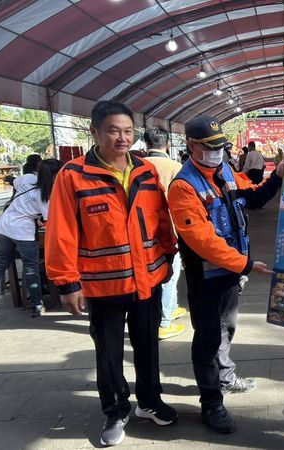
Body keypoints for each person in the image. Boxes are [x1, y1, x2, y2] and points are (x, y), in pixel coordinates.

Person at [45, 101, 178, 447]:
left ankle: (149, 401)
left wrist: (167, 257)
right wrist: (67, 283)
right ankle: (116, 411)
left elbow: (161, 220)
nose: (122, 138)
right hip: (103, 286)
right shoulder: (72, 176)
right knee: (109, 354)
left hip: (147, 281)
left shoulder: (146, 172)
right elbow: (61, 232)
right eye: (114, 131)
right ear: (94, 131)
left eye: (128, 131)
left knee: (148, 347)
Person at [167, 116, 284, 434]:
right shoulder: (183, 187)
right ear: (191, 146)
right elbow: (203, 241)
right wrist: (246, 265)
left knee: (227, 328)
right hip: (206, 278)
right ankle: (211, 404)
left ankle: (225, 375)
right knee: (207, 338)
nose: (217, 152)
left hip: (231, 273)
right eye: (210, 147)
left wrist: (278, 179)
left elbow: (255, 197)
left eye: (221, 146)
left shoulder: (225, 174)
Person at [0, 158, 63, 318]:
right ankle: (37, 305)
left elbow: (13, 181)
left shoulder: (27, 178)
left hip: (5, 225)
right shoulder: (46, 195)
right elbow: (50, 220)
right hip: (23, 231)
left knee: (0, 264)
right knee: (31, 267)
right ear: (54, 175)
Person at [144, 126, 187, 340]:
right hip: (170, 229)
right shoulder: (176, 166)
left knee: (153, 273)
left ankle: (171, 307)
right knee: (170, 274)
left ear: (146, 144)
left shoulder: (137, 166)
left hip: (143, 231)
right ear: (167, 144)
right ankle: (165, 321)